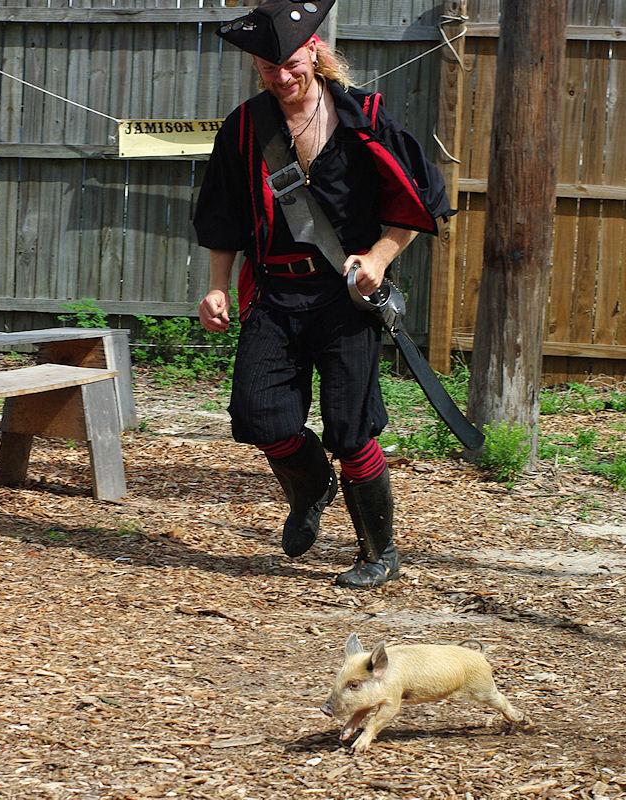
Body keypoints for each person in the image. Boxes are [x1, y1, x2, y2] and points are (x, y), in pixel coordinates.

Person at [193, 0, 454, 589]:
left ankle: (377, 552)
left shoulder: (368, 119)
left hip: (346, 299)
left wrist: (378, 259)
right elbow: (222, 216)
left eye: (289, 63)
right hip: (275, 296)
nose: (281, 78)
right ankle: (311, 487)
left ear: (314, 51)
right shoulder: (244, 128)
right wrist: (215, 285)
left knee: (350, 427)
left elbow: (418, 206)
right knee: (258, 414)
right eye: (267, 68)